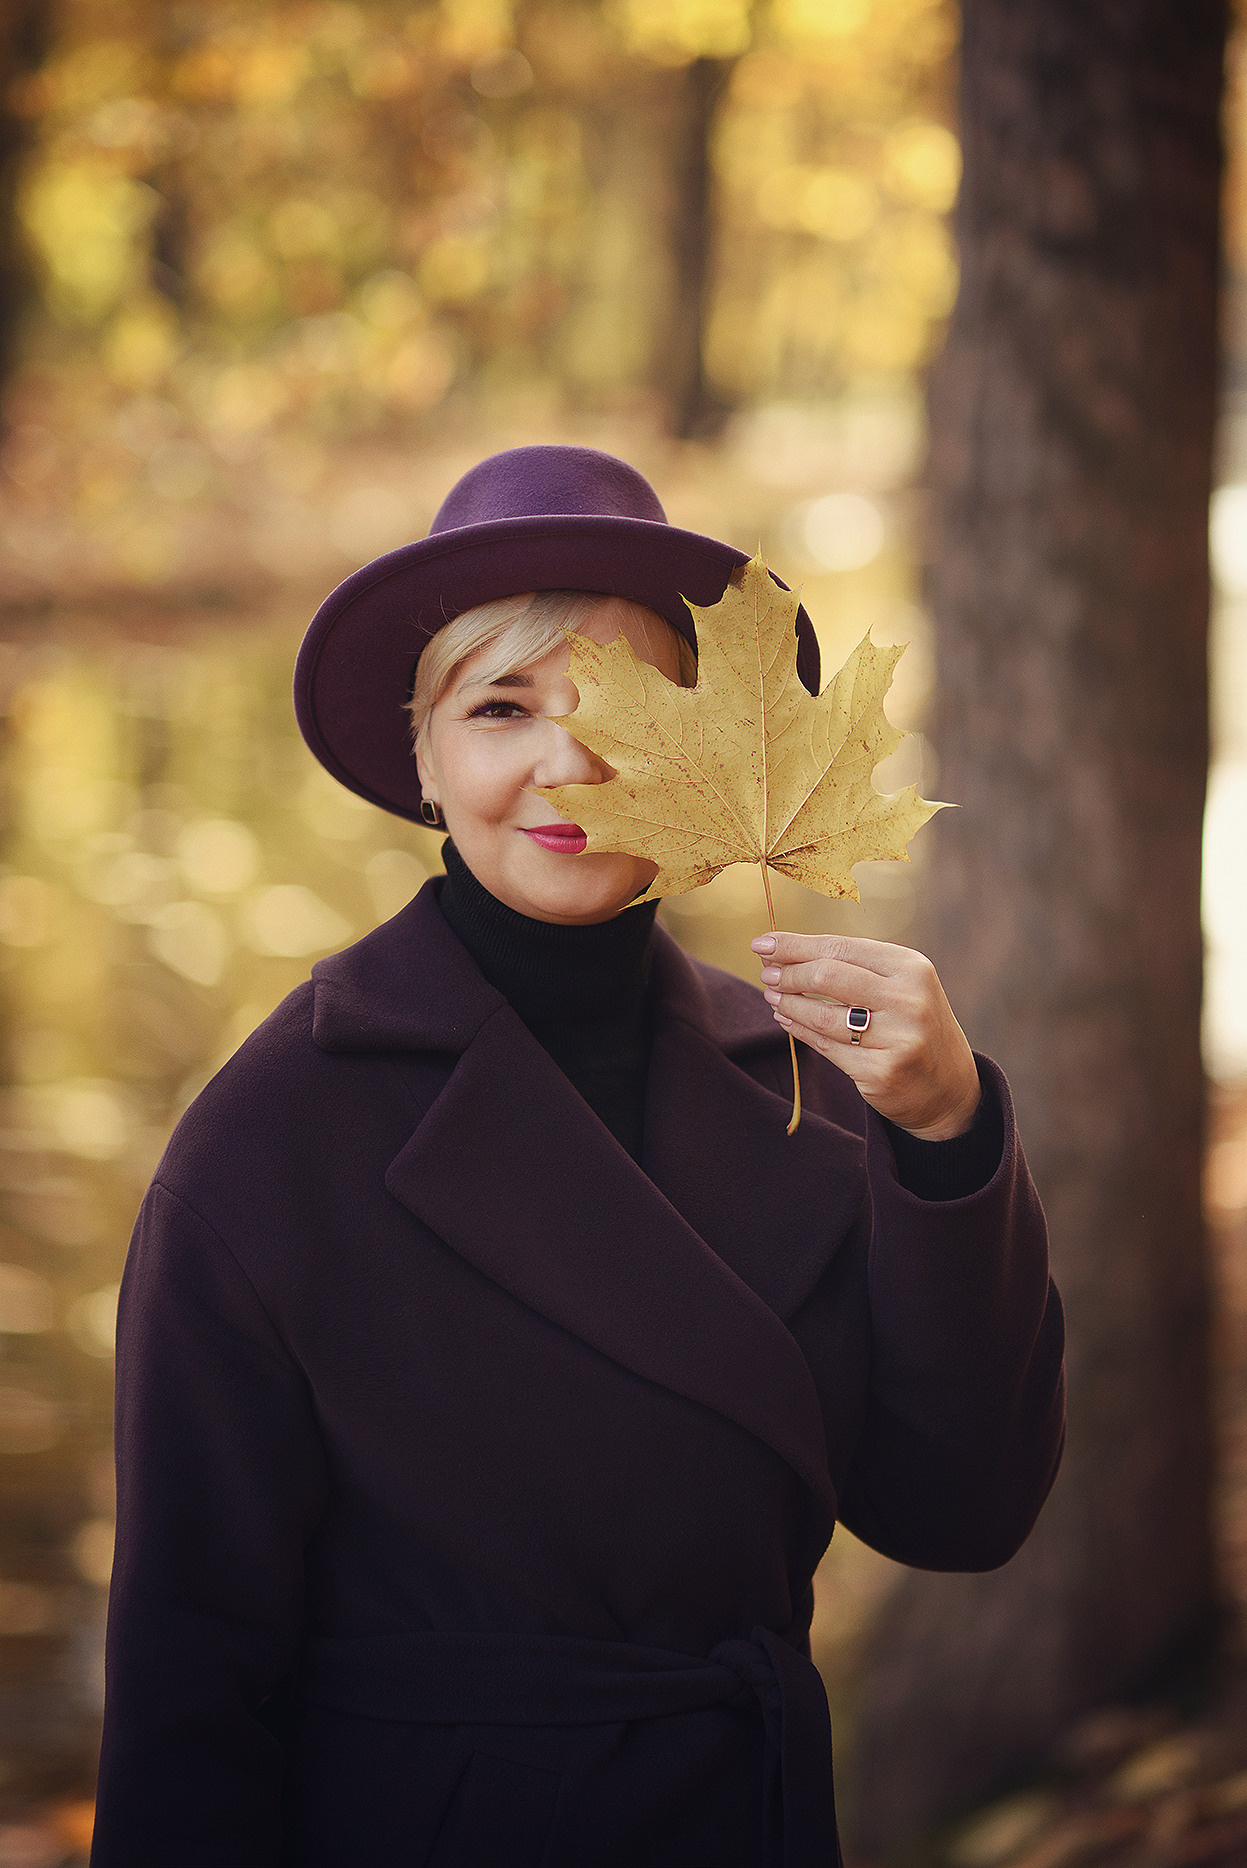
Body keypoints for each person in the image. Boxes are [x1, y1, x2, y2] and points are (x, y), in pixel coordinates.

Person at [90, 445, 1065, 1868]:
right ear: (423, 756)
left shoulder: (807, 1081)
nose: (571, 761)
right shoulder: (270, 1142)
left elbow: (963, 1511)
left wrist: (944, 1137)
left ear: (715, 756)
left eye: (627, 708)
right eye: (501, 707)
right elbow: (188, 1695)